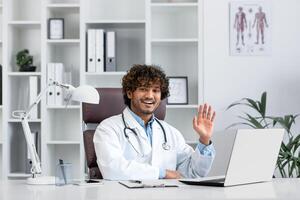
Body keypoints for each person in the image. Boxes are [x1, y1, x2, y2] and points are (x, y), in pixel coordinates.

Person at [94, 64, 216, 180]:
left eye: (155, 90)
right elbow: (112, 168)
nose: (150, 96)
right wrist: (162, 173)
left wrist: (204, 140)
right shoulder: (108, 128)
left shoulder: (170, 132)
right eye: (143, 89)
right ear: (130, 93)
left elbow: (192, 173)